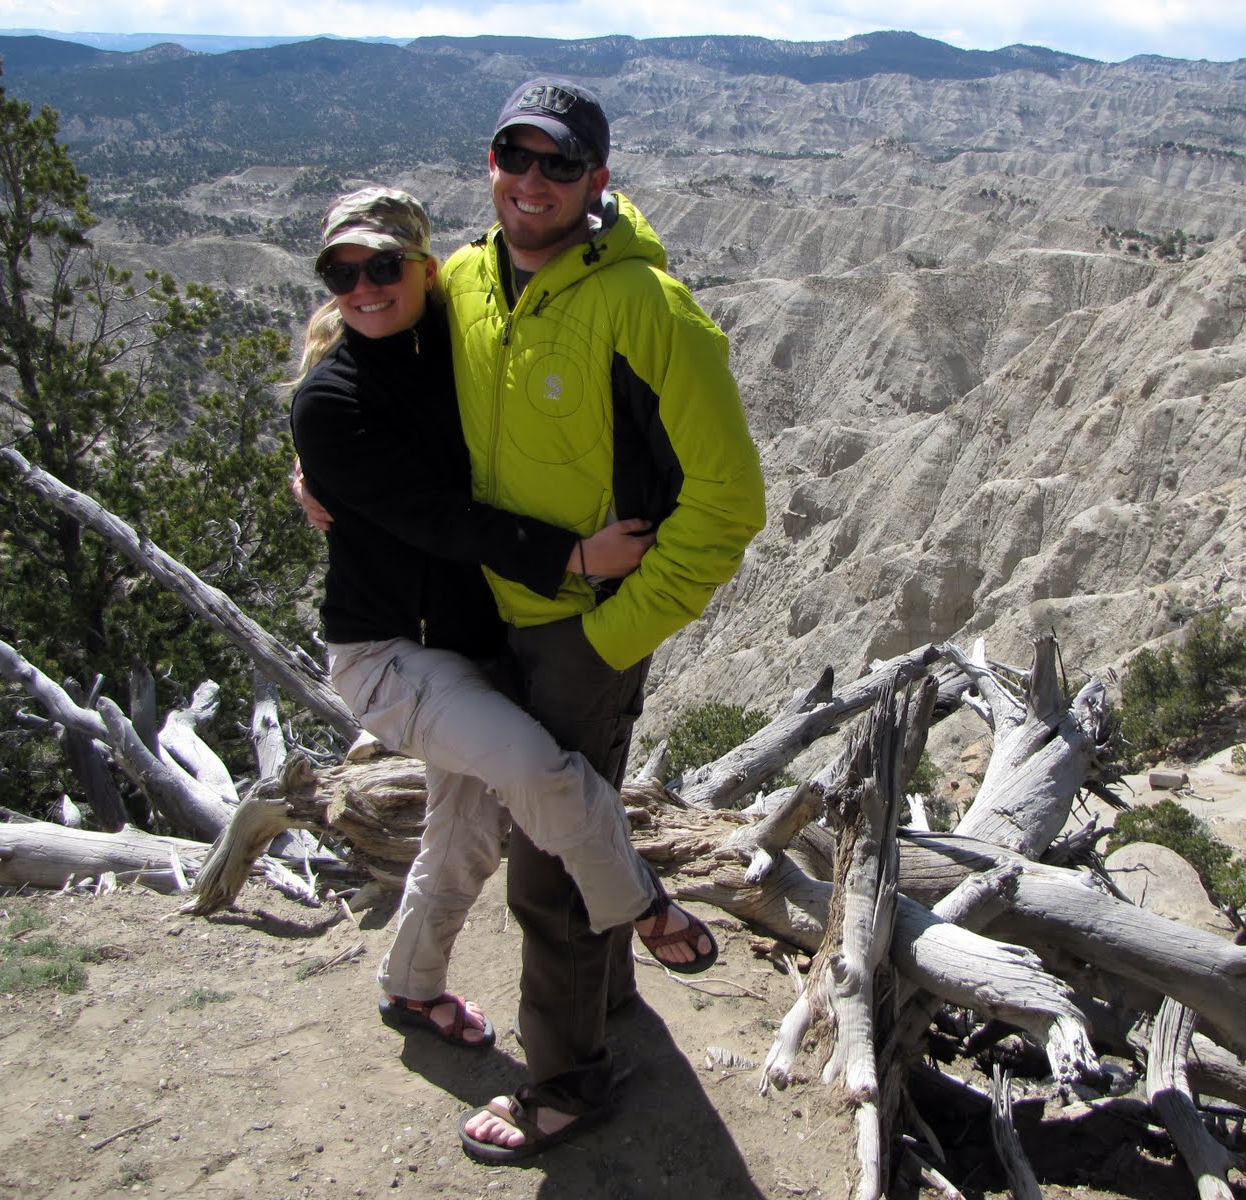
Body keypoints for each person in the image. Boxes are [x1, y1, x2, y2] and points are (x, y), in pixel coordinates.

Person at [288, 186, 720, 1060]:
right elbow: (438, 518)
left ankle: (411, 987)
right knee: (535, 767)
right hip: (389, 653)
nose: (364, 288)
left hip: (467, 644)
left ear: (425, 269)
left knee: (465, 836)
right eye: (342, 273)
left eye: (383, 267)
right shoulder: (332, 399)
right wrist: (576, 556)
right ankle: (643, 905)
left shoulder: (450, 341)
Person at [441, 78, 766, 1162]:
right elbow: (364, 367)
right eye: (515, 155)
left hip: (583, 631)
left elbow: (730, 503)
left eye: (560, 164)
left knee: (547, 866)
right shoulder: (463, 281)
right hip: (487, 614)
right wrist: (318, 470)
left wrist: (611, 637)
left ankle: (569, 1085)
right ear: (490, 162)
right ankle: (610, 994)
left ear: (598, 180)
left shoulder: (648, 309)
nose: (532, 181)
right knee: (575, 822)